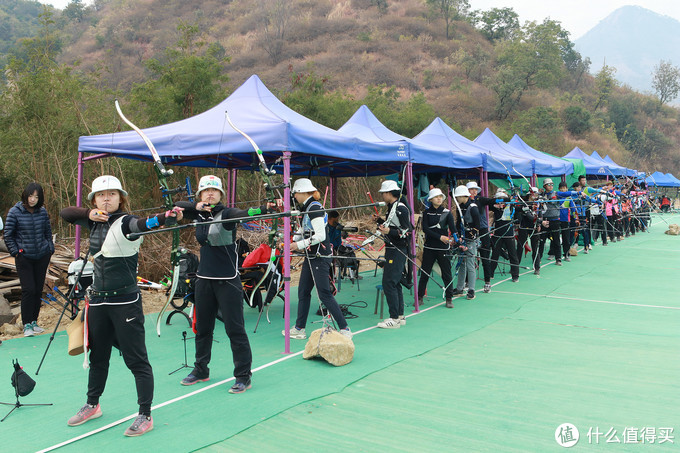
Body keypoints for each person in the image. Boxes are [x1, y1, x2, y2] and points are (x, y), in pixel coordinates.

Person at [61, 175, 182, 436]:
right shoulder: (93, 220)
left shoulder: (127, 222)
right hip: (99, 301)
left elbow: (145, 223)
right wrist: (89, 213)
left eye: (112, 194)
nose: (107, 198)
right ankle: (92, 404)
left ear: (120, 198)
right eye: (101, 195)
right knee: (98, 357)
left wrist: (166, 216)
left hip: (125, 302)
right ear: (94, 200)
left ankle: (145, 414)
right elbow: (66, 213)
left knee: (136, 360)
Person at [176, 175, 271, 392]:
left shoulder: (227, 213)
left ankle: (243, 376)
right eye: (206, 191)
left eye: (214, 191)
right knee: (202, 329)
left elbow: (245, 213)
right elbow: (178, 206)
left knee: (235, 330)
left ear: (220, 195)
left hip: (227, 281)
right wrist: (196, 206)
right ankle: (201, 369)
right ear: (200, 195)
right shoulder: (197, 212)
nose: (210, 193)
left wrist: (264, 208)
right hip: (204, 281)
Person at [281, 178, 352, 338]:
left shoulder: (314, 208)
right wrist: (291, 241)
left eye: (295, 193)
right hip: (311, 256)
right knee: (303, 291)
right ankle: (299, 329)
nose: (294, 196)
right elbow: (304, 229)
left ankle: (345, 329)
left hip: (320, 256)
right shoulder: (308, 208)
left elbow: (320, 235)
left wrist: (297, 246)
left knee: (324, 294)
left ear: (302, 192)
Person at [4, 182, 55, 337]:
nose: (33, 199)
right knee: (29, 289)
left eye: (36, 197)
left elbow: (48, 231)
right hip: (24, 257)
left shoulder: (42, 212)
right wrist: (16, 251)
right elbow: (8, 235)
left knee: (38, 289)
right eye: (31, 196)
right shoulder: (15, 211)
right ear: (25, 195)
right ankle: (26, 324)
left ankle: (34, 321)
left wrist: (49, 248)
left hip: (42, 255)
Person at [373, 179, 413, 329]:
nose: (382, 196)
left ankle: (394, 318)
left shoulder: (401, 208)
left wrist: (389, 231)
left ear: (389, 193)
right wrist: (380, 221)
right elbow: (392, 226)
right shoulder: (392, 207)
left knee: (389, 282)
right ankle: (400, 316)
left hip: (398, 250)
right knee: (394, 282)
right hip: (392, 248)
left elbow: (407, 231)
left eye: (383, 193)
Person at [417, 188, 456, 308]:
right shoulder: (426, 213)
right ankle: (419, 297)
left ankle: (449, 298)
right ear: (431, 199)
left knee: (447, 274)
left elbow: (453, 229)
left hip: (443, 248)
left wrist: (456, 239)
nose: (439, 198)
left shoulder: (447, 212)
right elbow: (426, 229)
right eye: (436, 197)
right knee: (425, 273)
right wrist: (440, 237)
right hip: (429, 248)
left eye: (440, 196)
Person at [451, 186, 479, 300]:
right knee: (461, 262)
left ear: (464, 196)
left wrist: (469, 236)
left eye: (458, 197)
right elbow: (458, 222)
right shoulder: (460, 206)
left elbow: (477, 226)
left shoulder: (473, 208)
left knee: (471, 264)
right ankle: (459, 288)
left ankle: (471, 289)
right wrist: (457, 236)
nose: (456, 199)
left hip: (470, 239)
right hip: (462, 238)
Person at [466, 181, 493, 293]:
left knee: (485, 257)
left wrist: (503, 199)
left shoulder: (479, 199)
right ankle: (467, 281)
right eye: (471, 189)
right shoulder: (464, 202)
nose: (474, 191)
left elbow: (491, 201)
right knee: (468, 257)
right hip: (470, 231)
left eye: (475, 189)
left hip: (482, 230)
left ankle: (487, 282)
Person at [488, 190, 519, 283]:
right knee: (494, 255)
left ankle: (515, 275)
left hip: (509, 235)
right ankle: (490, 274)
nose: (501, 202)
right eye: (498, 200)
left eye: (502, 200)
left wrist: (508, 201)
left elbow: (519, 207)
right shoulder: (495, 208)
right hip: (498, 235)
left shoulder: (510, 207)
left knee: (513, 255)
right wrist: (496, 203)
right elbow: (489, 204)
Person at [515, 187, 542, 274]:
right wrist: (537, 220)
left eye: (537, 194)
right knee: (520, 247)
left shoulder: (538, 203)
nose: (536, 196)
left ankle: (537, 267)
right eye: (534, 194)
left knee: (535, 247)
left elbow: (540, 214)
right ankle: (515, 267)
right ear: (530, 194)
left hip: (534, 227)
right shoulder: (524, 203)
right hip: (524, 227)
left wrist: (539, 223)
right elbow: (529, 216)